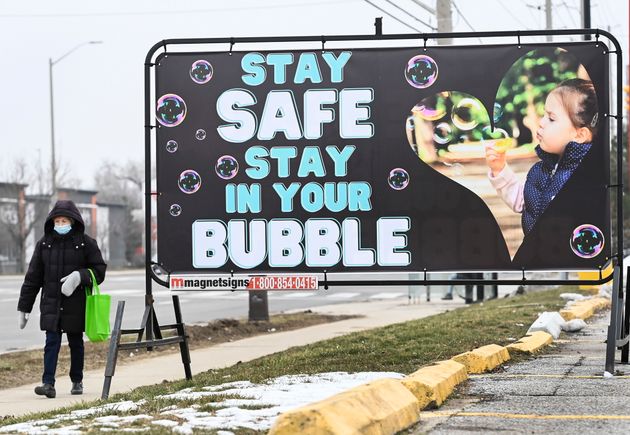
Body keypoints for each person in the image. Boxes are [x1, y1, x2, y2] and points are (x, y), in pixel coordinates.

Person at [485, 78, 598, 235]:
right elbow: (523, 202)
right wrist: (500, 169)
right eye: (544, 115)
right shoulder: (541, 170)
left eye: (551, 118)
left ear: (579, 135)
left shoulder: (587, 177)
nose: (541, 122)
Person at [17, 200, 106, 399]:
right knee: (51, 342)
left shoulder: (86, 243)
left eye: (64, 220)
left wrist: (79, 277)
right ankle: (48, 383)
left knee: (76, 342)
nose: (60, 224)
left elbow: (99, 271)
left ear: (73, 222)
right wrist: (25, 307)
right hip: (52, 302)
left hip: (76, 303)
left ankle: (77, 380)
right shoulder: (44, 244)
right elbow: (33, 278)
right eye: (57, 220)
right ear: (52, 222)